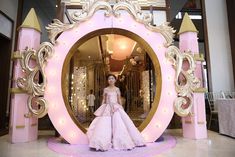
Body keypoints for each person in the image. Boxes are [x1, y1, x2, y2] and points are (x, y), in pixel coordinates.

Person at [87, 74, 145, 151]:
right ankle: (102, 142)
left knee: (118, 124)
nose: (111, 80)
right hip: (107, 108)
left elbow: (119, 99)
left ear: (115, 80)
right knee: (104, 124)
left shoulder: (117, 89)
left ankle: (120, 141)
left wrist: (121, 107)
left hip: (116, 108)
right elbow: (104, 100)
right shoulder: (106, 89)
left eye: (112, 78)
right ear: (107, 81)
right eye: (109, 79)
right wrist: (102, 108)